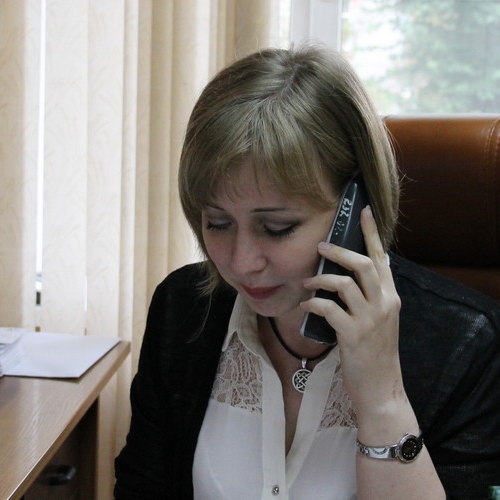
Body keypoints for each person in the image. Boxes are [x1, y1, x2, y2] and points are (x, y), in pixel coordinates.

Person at [114, 45, 500, 499]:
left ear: (356, 204)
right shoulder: (183, 307)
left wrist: (383, 400)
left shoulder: (467, 346)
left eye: (277, 228)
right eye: (218, 223)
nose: (241, 262)